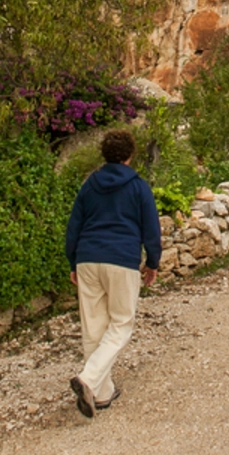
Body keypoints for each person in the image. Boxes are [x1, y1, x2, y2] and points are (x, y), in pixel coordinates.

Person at [64, 128, 161, 418]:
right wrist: (152, 263)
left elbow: (74, 226)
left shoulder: (89, 184)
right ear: (130, 155)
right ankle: (89, 379)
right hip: (121, 259)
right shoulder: (138, 186)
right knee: (121, 324)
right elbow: (151, 229)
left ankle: (102, 394)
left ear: (104, 154)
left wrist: (73, 262)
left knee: (94, 326)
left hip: (87, 258)